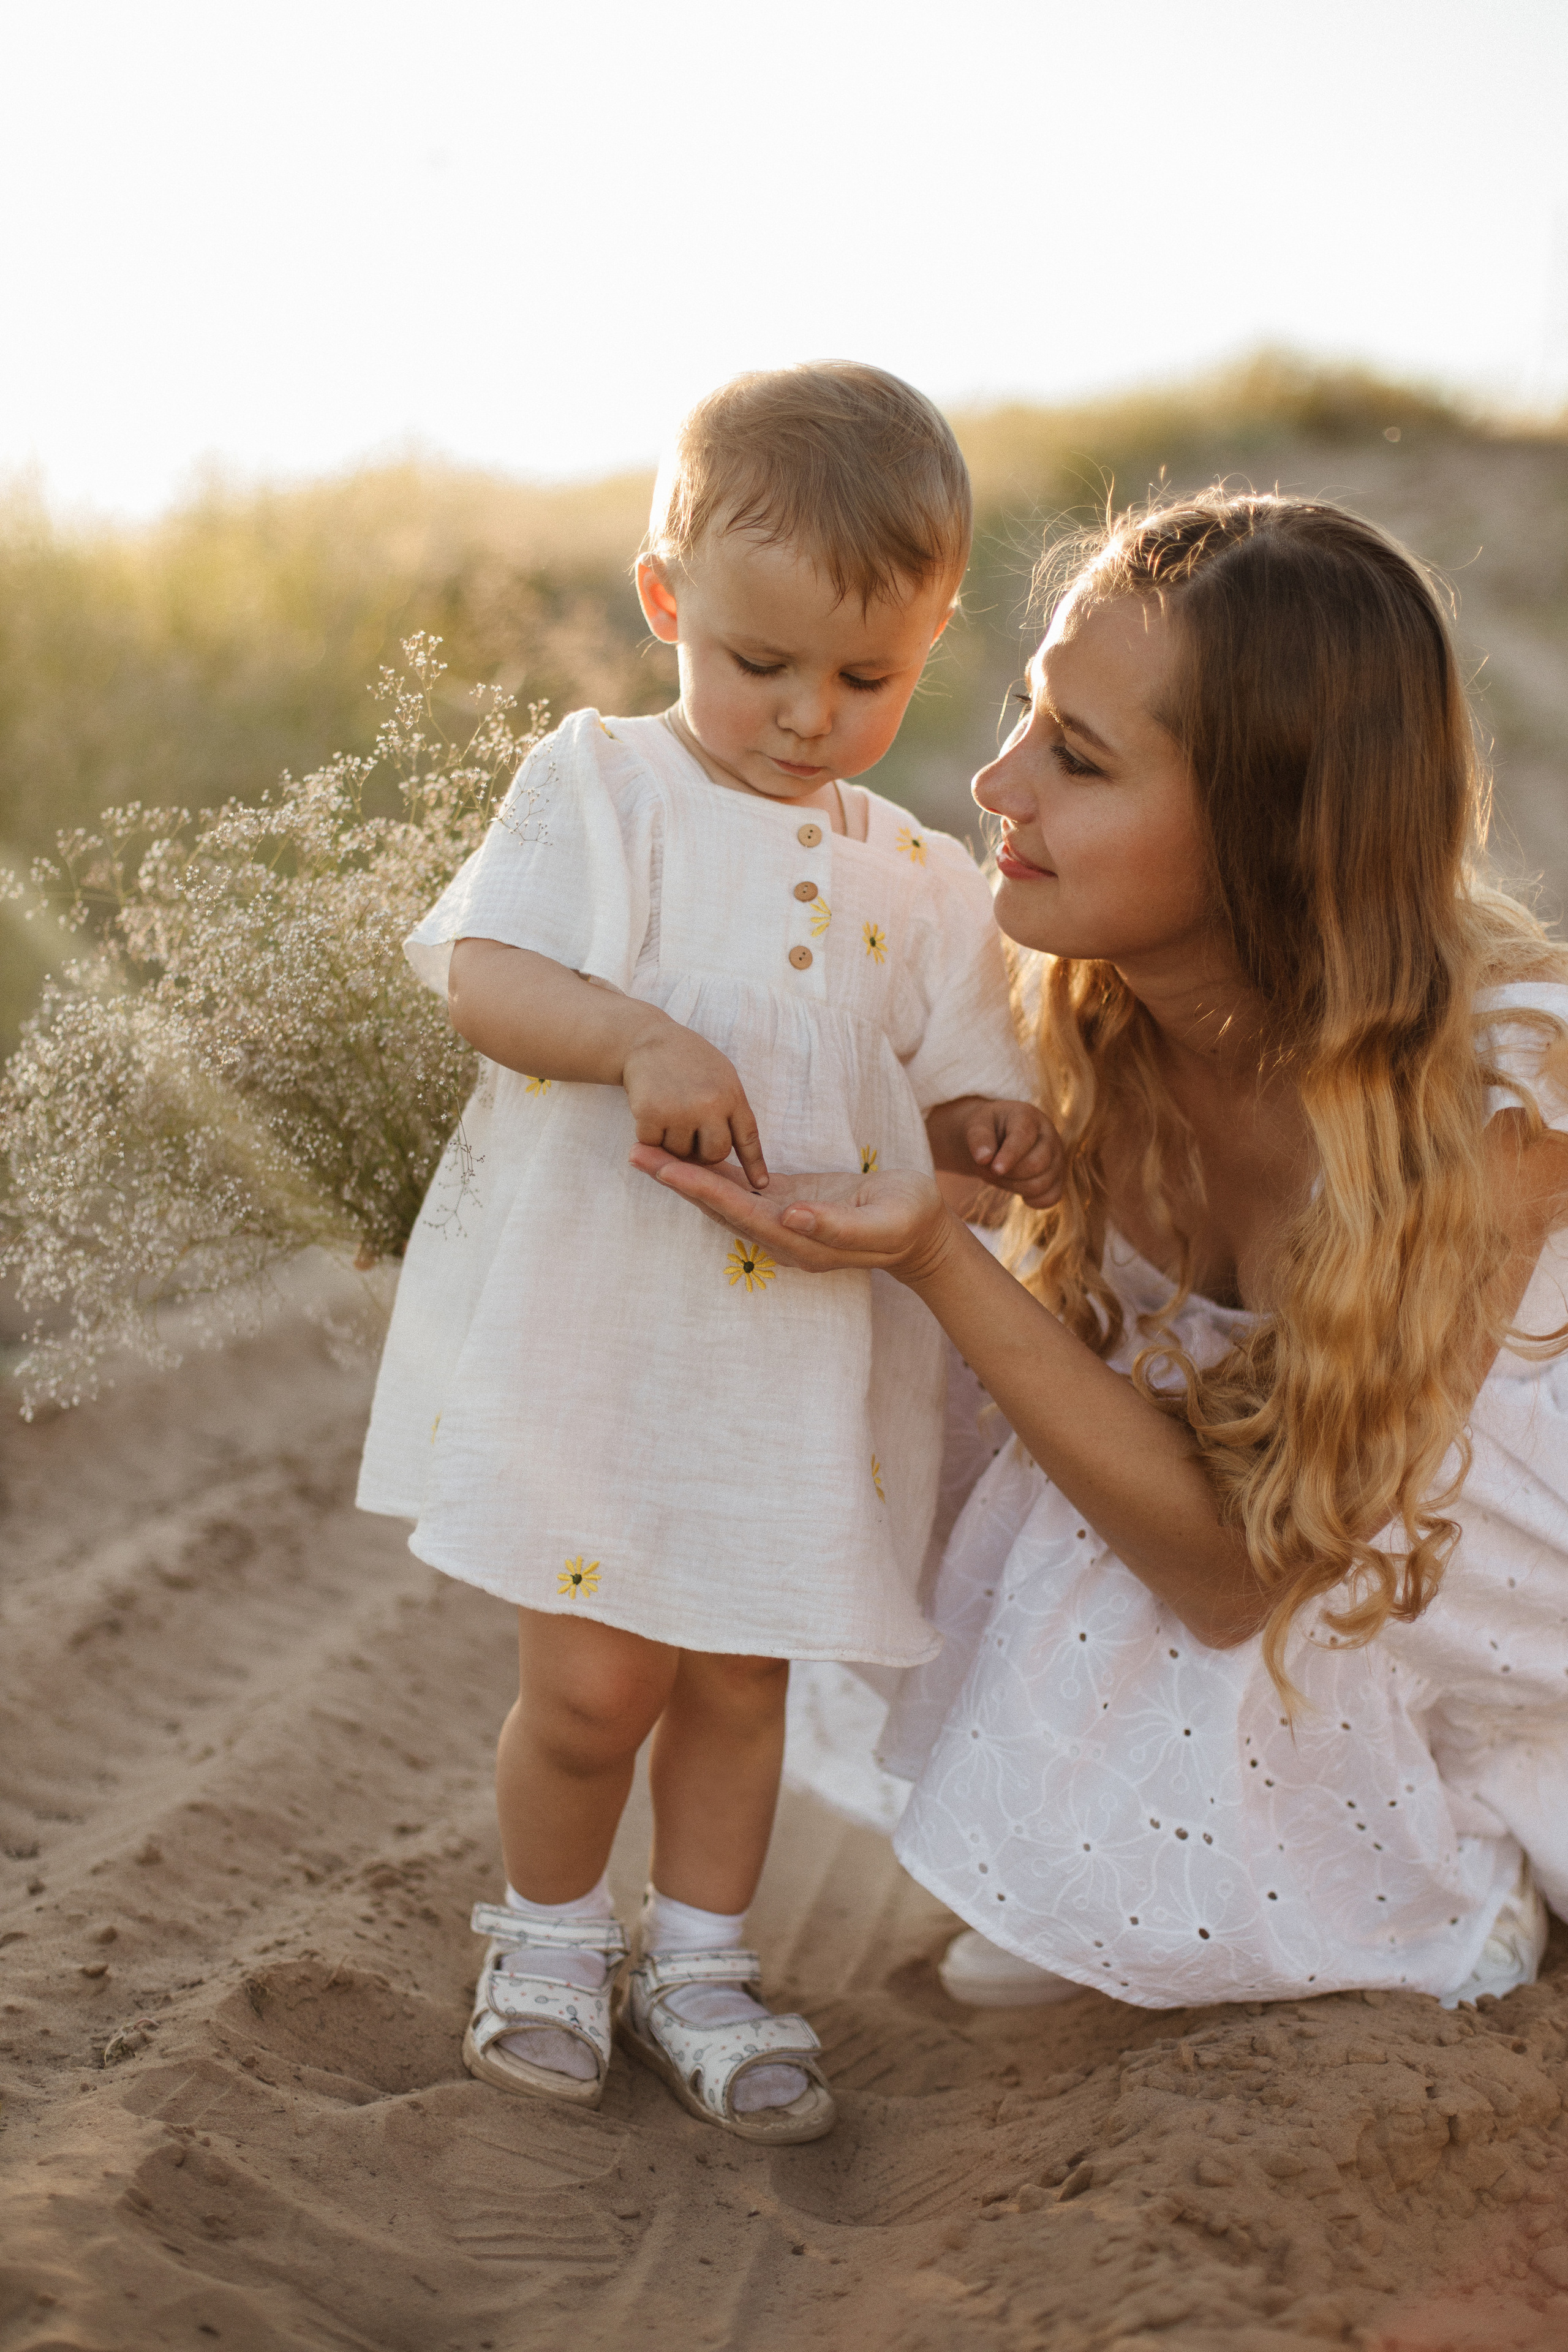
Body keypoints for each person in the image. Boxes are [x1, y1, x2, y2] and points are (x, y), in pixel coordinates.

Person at [638, 491, 1568, 2015]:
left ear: (1272, 832)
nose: (998, 780)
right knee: (1012, 1419)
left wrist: (942, 1258)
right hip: (1325, 1582)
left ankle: (1453, 1892)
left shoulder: (1492, 1103)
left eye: (1077, 756)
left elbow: (1233, 1573)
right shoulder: (1051, 1011)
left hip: (1489, 1622)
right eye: (1027, 714)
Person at [356, 361, 1059, 2137]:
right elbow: (483, 973)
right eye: (759, 665)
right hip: (611, 1330)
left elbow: (969, 1079)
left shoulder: (920, 879)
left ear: (930, 638)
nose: (809, 716)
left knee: (742, 1674)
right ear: (666, 603)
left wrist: (988, 1131)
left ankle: (705, 1958)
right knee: (594, 1684)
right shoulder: (605, 788)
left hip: (792, 1359)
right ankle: (548, 1936)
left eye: (866, 677)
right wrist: (635, 1038)